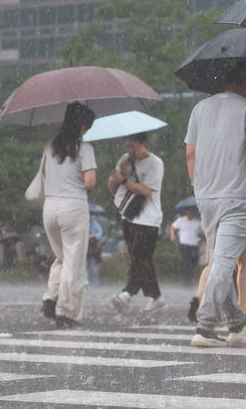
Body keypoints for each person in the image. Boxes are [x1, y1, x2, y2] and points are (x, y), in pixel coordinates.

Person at [185, 62, 246, 346]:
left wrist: (199, 187)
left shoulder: (199, 109)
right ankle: (204, 325)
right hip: (235, 197)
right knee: (223, 263)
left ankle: (235, 319)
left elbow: (190, 155)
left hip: (205, 196)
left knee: (220, 260)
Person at [40, 102, 97, 328]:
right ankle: (67, 312)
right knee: (74, 262)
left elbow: (46, 175)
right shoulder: (85, 149)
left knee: (62, 258)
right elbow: (89, 182)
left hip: (50, 207)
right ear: (82, 124)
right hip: (73, 207)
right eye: (87, 127)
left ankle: (50, 297)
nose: (87, 131)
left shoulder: (50, 146)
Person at [109, 132, 165, 314]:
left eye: (133, 146)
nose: (130, 151)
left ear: (143, 144)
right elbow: (111, 184)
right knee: (140, 258)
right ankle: (156, 297)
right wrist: (120, 174)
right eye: (127, 146)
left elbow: (146, 190)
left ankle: (128, 293)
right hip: (129, 215)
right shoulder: (125, 159)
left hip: (149, 218)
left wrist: (125, 180)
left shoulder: (155, 163)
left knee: (140, 257)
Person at [170, 207, 202, 287]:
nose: (190, 212)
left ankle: (190, 280)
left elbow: (201, 233)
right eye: (189, 211)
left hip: (195, 245)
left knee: (193, 263)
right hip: (185, 245)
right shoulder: (181, 220)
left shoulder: (198, 222)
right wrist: (172, 235)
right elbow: (172, 227)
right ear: (186, 211)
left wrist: (201, 233)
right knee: (187, 263)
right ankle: (186, 282)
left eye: (192, 211)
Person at [86, 214, 103, 287]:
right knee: (85, 267)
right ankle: (85, 282)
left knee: (94, 266)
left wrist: (93, 235)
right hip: (85, 248)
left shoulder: (96, 224)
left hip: (93, 249)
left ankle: (95, 283)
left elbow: (100, 234)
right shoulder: (83, 223)